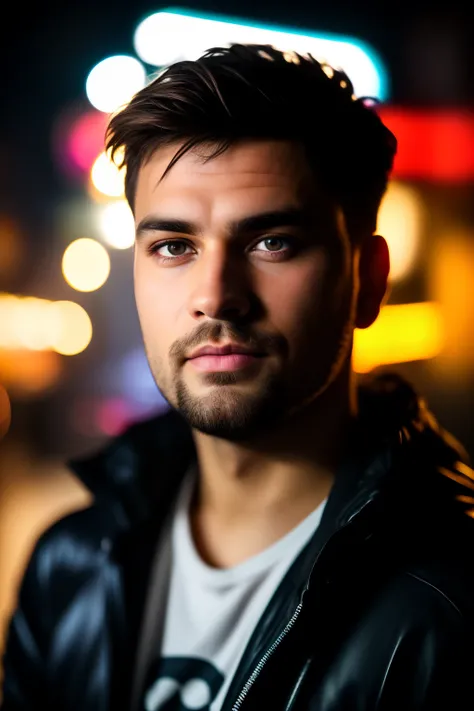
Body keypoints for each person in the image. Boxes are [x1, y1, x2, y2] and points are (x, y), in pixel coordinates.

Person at [2, 44, 474, 711]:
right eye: (174, 246)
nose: (216, 295)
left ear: (367, 279)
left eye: (271, 241)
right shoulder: (70, 563)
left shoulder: (449, 602)